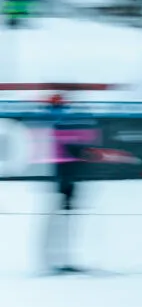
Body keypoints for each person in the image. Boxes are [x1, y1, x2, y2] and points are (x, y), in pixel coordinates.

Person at [41, 94, 99, 275]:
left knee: (63, 218)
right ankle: (60, 260)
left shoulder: (57, 120)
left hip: (62, 176)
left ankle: (61, 259)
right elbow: (70, 145)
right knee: (62, 219)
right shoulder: (59, 122)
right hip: (63, 176)